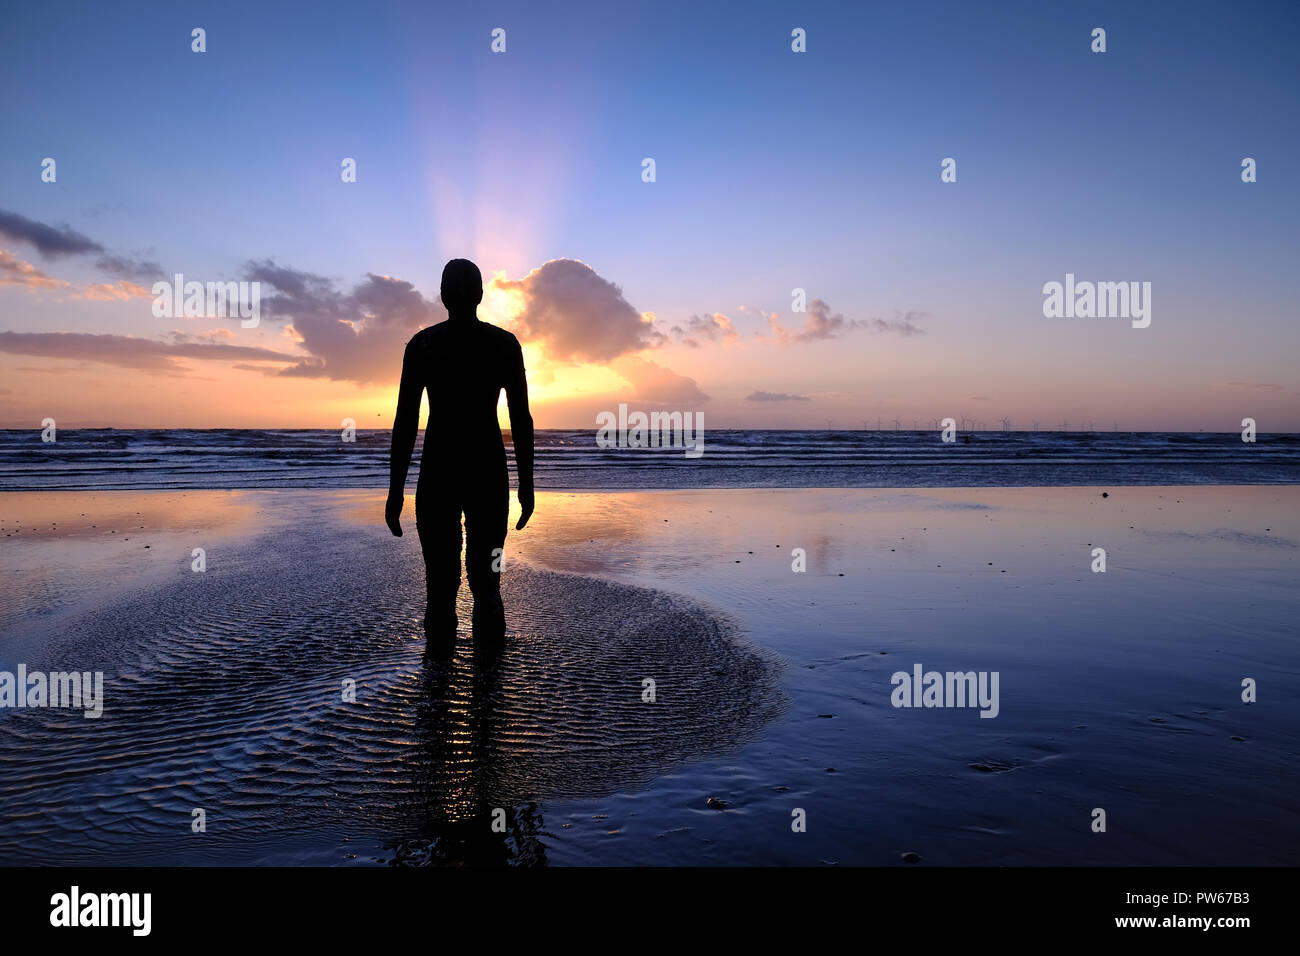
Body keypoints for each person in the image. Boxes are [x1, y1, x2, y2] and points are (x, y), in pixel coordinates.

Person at [386, 258, 534, 650]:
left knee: (441, 582)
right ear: (481, 295)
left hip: (439, 472)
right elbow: (521, 419)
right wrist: (527, 485)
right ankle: (489, 684)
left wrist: (395, 490)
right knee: (487, 582)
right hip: (487, 472)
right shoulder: (503, 345)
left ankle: (438, 685)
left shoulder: (424, 345)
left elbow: (405, 422)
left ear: (442, 295)